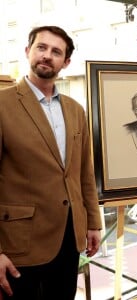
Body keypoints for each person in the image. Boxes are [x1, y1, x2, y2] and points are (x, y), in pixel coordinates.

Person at [0, 25, 102, 300]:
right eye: (41, 48)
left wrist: (93, 223)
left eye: (56, 52)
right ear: (27, 52)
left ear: (66, 62)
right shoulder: (3, 104)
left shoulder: (75, 110)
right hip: (19, 245)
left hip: (69, 241)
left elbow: (84, 173)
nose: (47, 56)